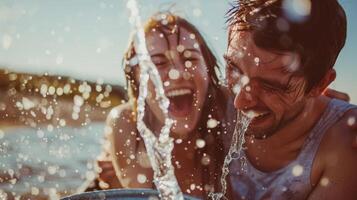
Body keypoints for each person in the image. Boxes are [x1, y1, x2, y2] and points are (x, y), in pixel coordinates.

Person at [224, 0, 357, 199]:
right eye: (234, 69)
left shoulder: (345, 144)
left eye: (270, 86)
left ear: (320, 85)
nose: (240, 102)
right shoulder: (212, 101)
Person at [97, 13, 232, 198]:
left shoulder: (230, 107)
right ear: (137, 79)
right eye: (158, 63)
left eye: (190, 59)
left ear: (207, 68)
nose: (177, 73)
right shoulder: (126, 122)